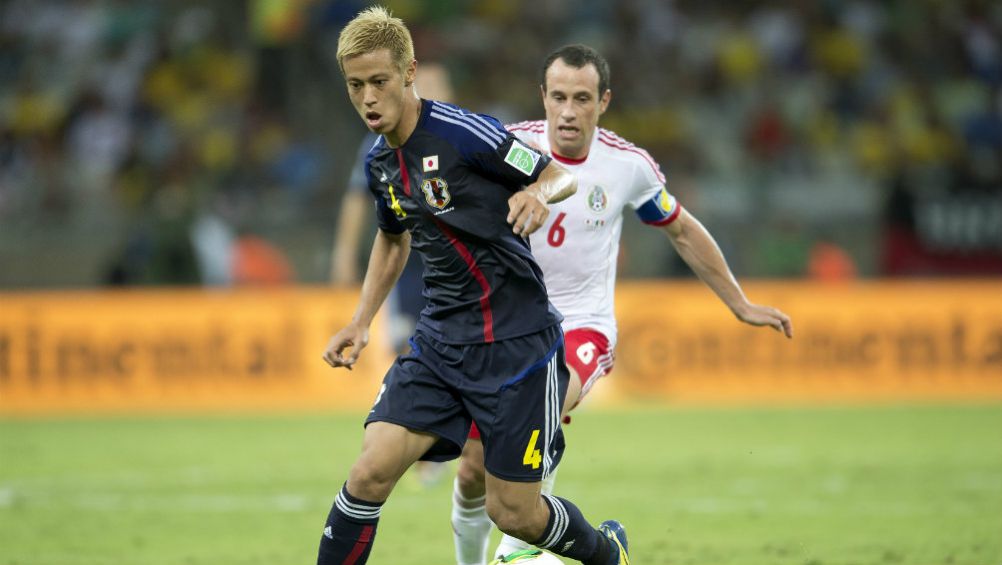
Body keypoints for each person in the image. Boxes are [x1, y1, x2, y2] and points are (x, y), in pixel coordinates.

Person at [450, 44, 794, 565]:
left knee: (545, 403)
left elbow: (679, 228)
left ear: (603, 101)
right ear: (542, 97)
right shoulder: (510, 149)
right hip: (508, 328)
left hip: (580, 326)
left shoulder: (627, 166)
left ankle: (520, 550)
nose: (569, 111)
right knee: (474, 466)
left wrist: (738, 303)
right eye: (559, 97)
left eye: (582, 98)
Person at [318, 9, 630, 565]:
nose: (368, 98)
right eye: (356, 85)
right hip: (440, 344)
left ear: (409, 72)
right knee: (368, 472)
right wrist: (361, 321)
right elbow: (393, 240)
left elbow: (555, 173)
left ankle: (606, 554)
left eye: (379, 82)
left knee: (514, 514)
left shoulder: (463, 134)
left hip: (517, 347)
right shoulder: (380, 164)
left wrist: (538, 194)